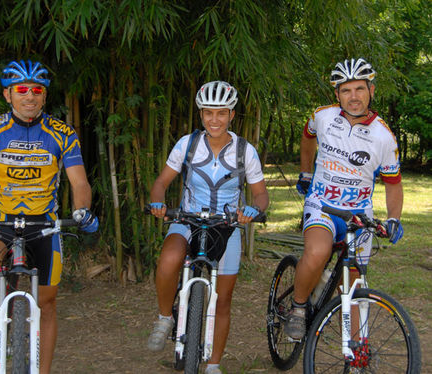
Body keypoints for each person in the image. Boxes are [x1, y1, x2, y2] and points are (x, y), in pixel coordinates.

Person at [0, 60, 98, 373]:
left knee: (48, 302)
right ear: (7, 95)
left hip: (45, 226)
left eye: (37, 90)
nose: (30, 96)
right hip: (2, 222)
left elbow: (79, 182)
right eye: (22, 90)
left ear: (44, 96)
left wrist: (82, 209)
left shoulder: (62, 133)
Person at [147, 81, 269, 374]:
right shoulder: (187, 144)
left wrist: (255, 208)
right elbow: (162, 183)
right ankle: (165, 317)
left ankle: (214, 364)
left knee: (223, 298)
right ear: (200, 114)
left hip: (226, 225)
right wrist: (158, 203)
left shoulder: (244, 150)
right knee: (168, 260)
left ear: (232, 115)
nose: (215, 120)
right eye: (208, 113)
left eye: (222, 113)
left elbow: (261, 193)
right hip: (187, 218)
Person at [284, 58, 404, 340]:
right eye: (346, 90)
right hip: (322, 204)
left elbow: (393, 184)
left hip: (359, 213)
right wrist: (305, 171)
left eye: (360, 89)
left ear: (371, 90)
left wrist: (394, 218)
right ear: (337, 94)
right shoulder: (323, 116)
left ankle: (355, 349)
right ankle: (298, 308)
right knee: (317, 253)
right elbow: (307, 135)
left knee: (352, 284)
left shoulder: (384, 136)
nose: (353, 97)